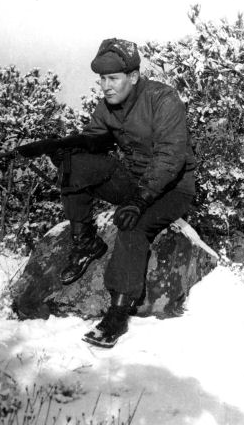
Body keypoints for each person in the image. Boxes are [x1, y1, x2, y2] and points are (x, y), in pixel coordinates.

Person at [57, 38, 196, 348]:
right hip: (132, 179)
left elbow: (170, 157)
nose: (105, 86)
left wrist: (138, 200)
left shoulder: (163, 99)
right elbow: (95, 141)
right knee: (74, 165)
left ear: (133, 76)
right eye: (102, 79)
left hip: (172, 186)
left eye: (113, 78)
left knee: (132, 226)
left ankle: (118, 314)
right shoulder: (106, 106)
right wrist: (67, 152)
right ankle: (85, 243)